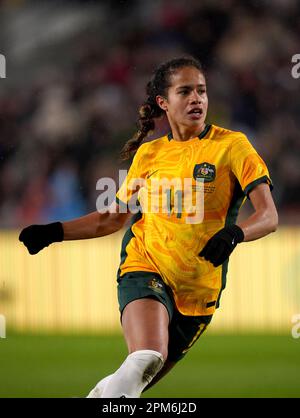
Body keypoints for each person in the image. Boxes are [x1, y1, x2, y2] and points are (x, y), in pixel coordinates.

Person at [19, 56, 278, 398]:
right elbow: (113, 217)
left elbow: (269, 216)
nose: (196, 98)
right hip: (145, 266)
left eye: (201, 90)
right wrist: (53, 232)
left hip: (199, 291)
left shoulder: (233, 147)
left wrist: (236, 233)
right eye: (185, 91)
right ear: (163, 102)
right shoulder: (150, 154)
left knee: (128, 386)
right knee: (146, 358)